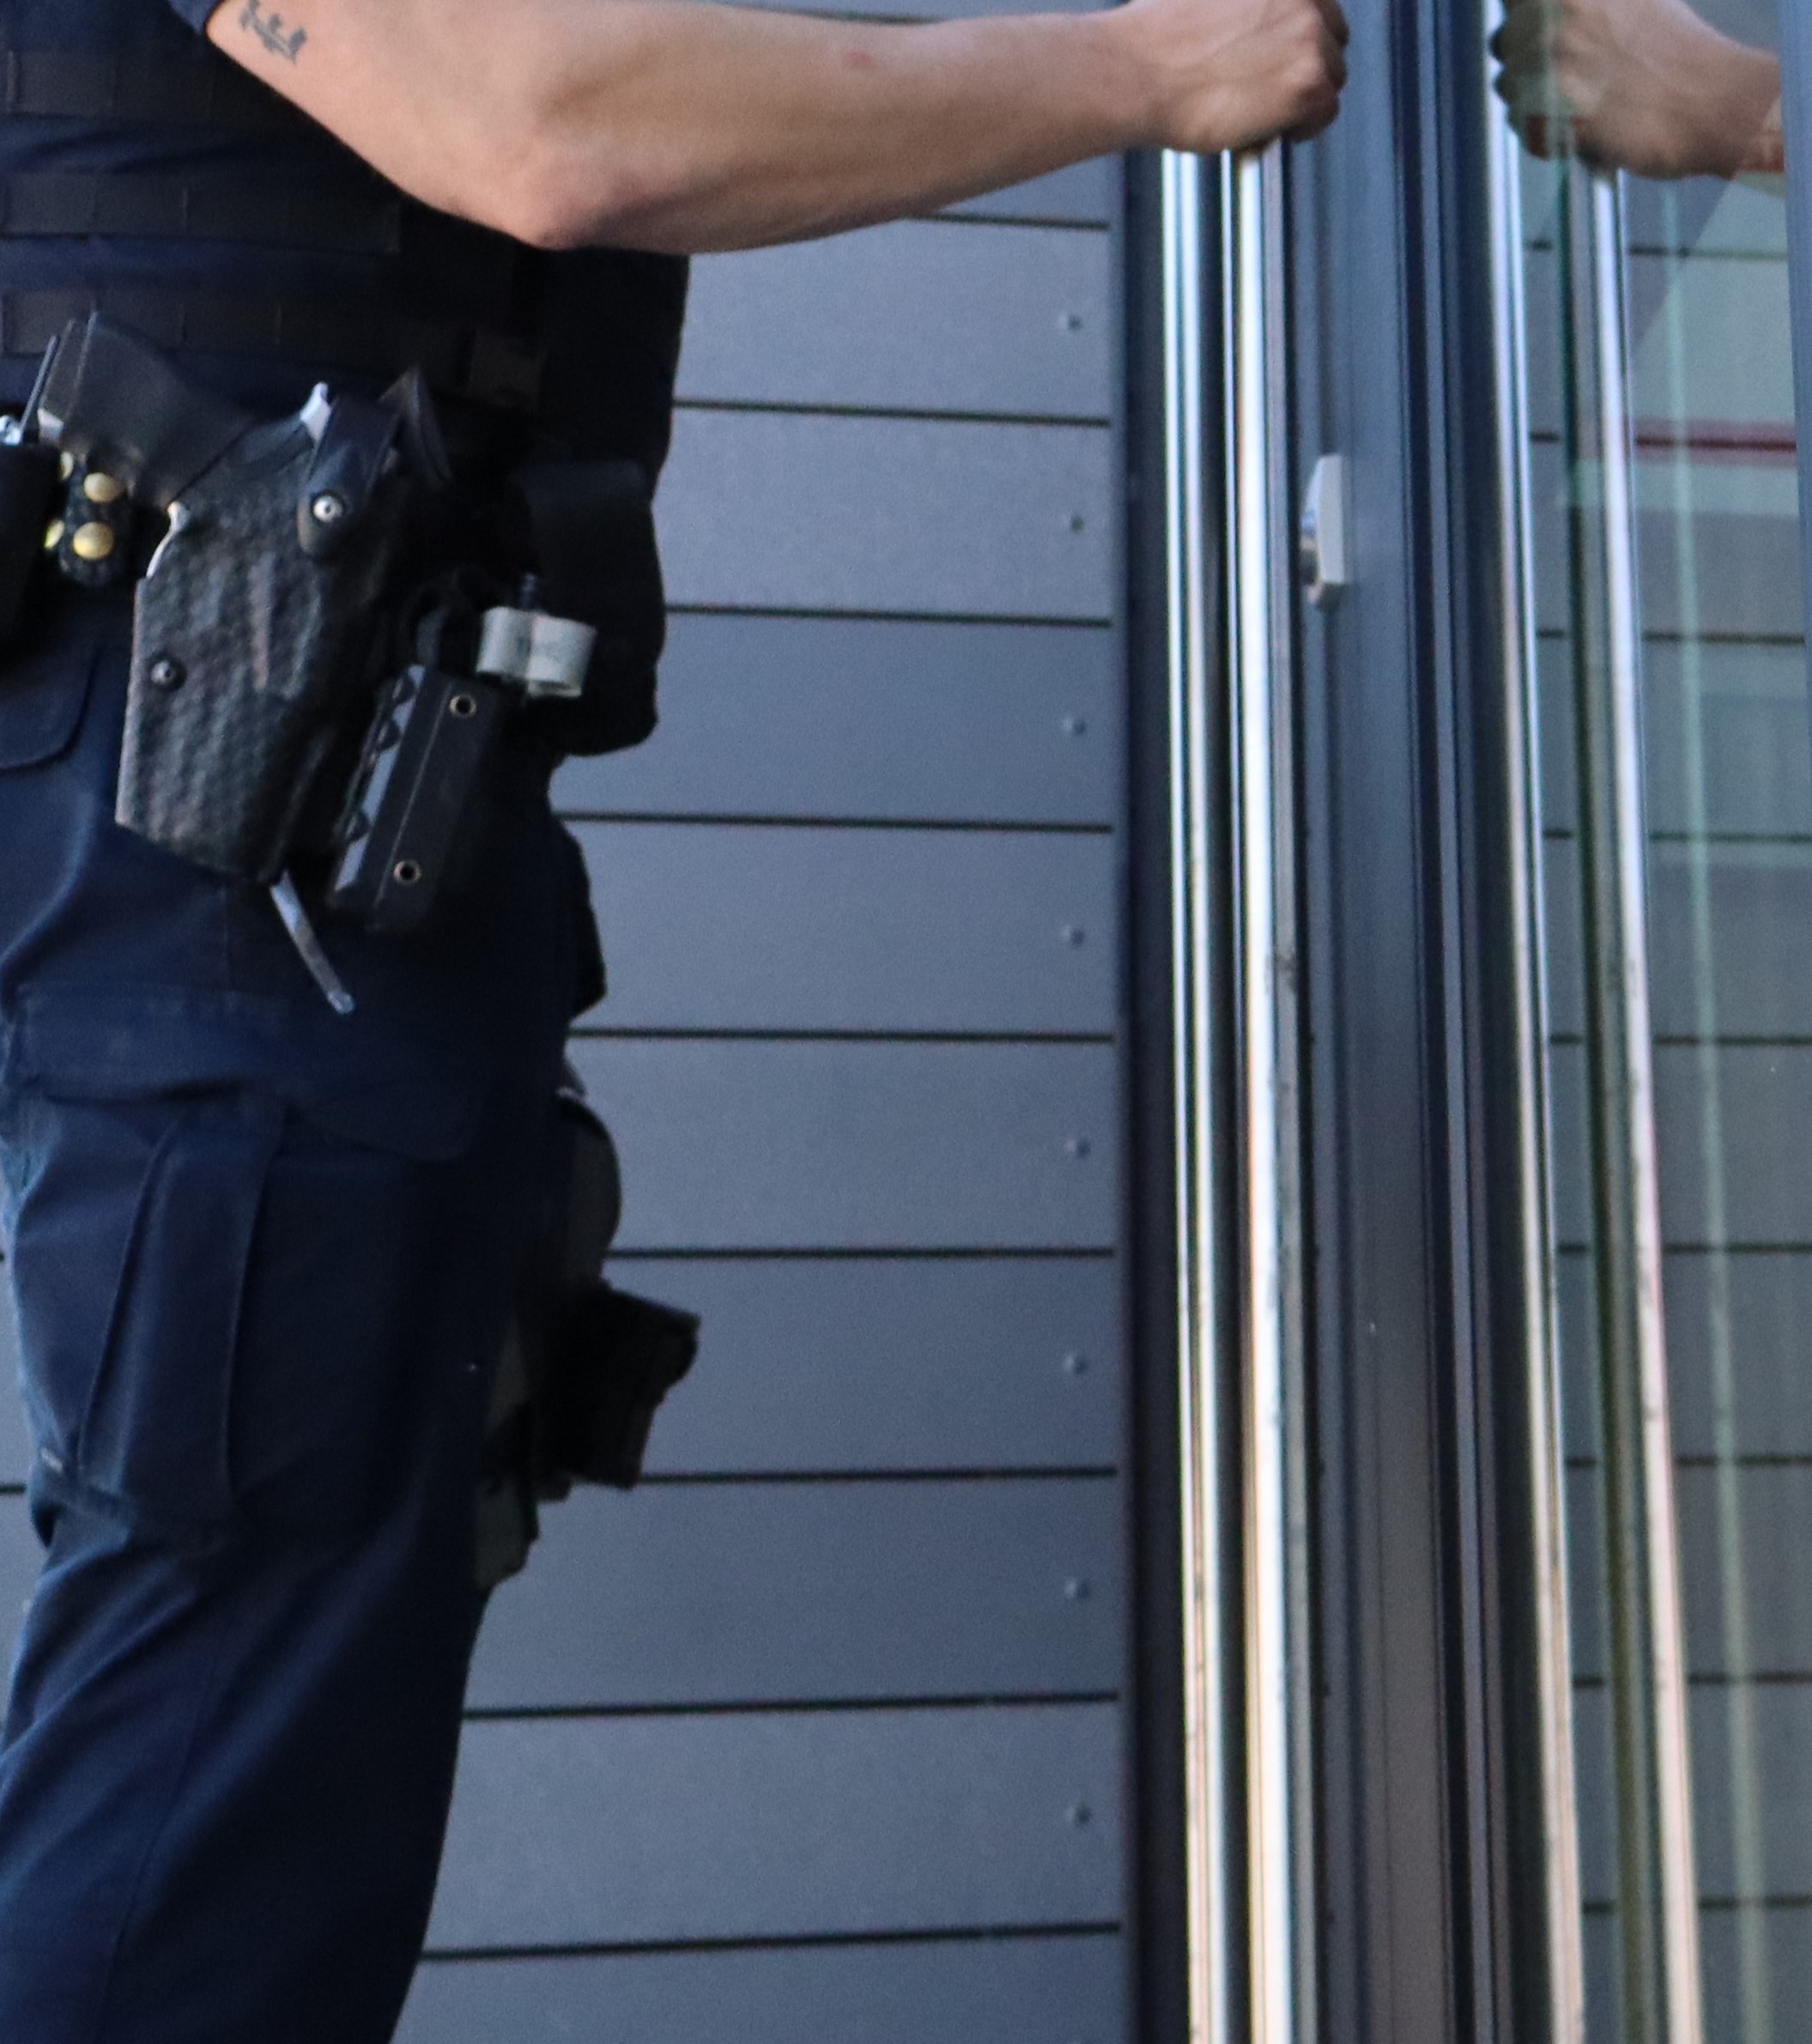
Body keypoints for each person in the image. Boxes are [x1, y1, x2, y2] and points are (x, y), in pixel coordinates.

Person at [0, 0, 1342, 2033]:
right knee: (220, 1718)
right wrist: (1146, 71)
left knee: (272, 1696)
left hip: (303, 805)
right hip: (226, 789)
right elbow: (534, 121)